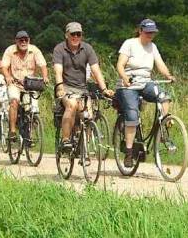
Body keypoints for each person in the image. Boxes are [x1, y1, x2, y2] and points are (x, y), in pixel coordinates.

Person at [116, 19, 176, 168]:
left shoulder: (152, 47)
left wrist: (168, 75)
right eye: (148, 32)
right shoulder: (129, 44)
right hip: (128, 85)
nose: (150, 35)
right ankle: (129, 153)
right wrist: (125, 78)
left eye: (153, 32)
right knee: (132, 114)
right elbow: (120, 65)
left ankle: (162, 133)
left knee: (164, 97)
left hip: (145, 83)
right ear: (141, 30)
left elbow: (159, 63)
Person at [52, 22, 110, 153]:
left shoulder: (87, 48)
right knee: (71, 105)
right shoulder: (59, 49)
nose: (76, 37)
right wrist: (60, 86)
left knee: (88, 116)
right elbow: (58, 71)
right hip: (66, 87)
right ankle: (65, 140)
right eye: (73, 34)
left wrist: (104, 89)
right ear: (66, 35)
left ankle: (83, 144)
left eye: (78, 34)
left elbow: (96, 70)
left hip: (82, 89)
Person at [0, 30, 49, 142]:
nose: (23, 42)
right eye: (21, 40)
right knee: (14, 101)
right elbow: (4, 66)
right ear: (16, 41)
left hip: (30, 84)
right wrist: (7, 76)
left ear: (29, 40)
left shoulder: (34, 50)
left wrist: (45, 76)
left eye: (25, 40)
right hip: (15, 83)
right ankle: (12, 131)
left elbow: (43, 64)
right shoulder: (10, 50)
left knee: (33, 109)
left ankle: (29, 134)